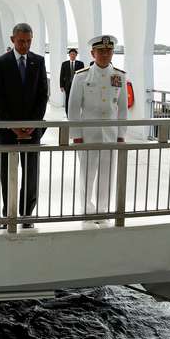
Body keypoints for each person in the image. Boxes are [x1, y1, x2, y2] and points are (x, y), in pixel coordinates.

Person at [0, 23, 49, 229]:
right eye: (21, 41)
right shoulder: (0, 63)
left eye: (28, 41)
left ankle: (27, 215)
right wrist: (11, 125)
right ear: (12, 39)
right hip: (7, 131)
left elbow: (43, 95)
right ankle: (9, 214)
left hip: (32, 131)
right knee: (7, 173)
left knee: (31, 172)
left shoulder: (38, 62)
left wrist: (32, 124)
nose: (25, 45)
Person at [67, 35, 128, 218]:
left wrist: (121, 135)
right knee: (87, 173)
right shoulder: (82, 76)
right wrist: (76, 135)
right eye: (101, 51)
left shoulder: (119, 76)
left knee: (107, 174)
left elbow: (123, 108)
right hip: (88, 135)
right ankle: (86, 209)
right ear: (93, 53)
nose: (105, 54)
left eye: (108, 51)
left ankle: (102, 210)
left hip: (110, 135)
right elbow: (73, 107)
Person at [60, 48, 85, 116]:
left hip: (77, 85)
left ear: (76, 55)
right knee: (67, 99)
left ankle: (76, 113)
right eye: (71, 54)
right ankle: (68, 114)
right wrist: (61, 86)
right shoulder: (64, 64)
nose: (72, 55)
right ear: (69, 55)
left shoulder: (80, 64)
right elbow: (62, 75)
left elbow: (83, 75)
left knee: (77, 99)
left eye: (74, 54)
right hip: (67, 85)